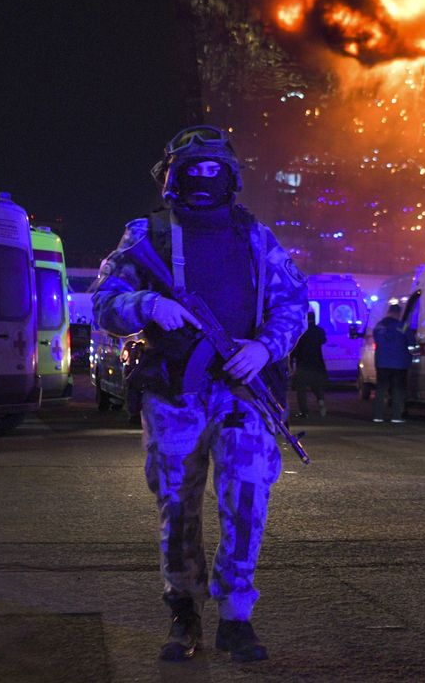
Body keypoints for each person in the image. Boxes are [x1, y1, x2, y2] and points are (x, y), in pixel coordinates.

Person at [92, 125, 308, 664]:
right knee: (176, 506)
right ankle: (183, 611)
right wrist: (147, 305)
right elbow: (104, 301)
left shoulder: (257, 238)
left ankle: (236, 615)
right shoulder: (148, 236)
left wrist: (263, 348)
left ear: (230, 178)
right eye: (194, 171)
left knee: (246, 500)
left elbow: (293, 306)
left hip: (242, 391)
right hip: (174, 393)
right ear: (172, 178)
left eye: (215, 171)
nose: (204, 179)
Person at [372, 297, 415, 423]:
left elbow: (378, 341)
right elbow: (411, 342)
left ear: (388, 312)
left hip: (382, 363)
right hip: (399, 364)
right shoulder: (403, 326)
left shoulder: (379, 326)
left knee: (381, 389)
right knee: (398, 389)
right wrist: (411, 355)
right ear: (398, 314)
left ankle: (378, 416)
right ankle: (396, 416)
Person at [290, 311, 328, 418]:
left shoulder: (300, 332)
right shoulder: (319, 331)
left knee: (301, 389)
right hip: (317, 363)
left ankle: (304, 411)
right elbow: (323, 341)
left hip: (302, 364)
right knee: (316, 386)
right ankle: (321, 402)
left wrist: (291, 361)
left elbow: (294, 348)